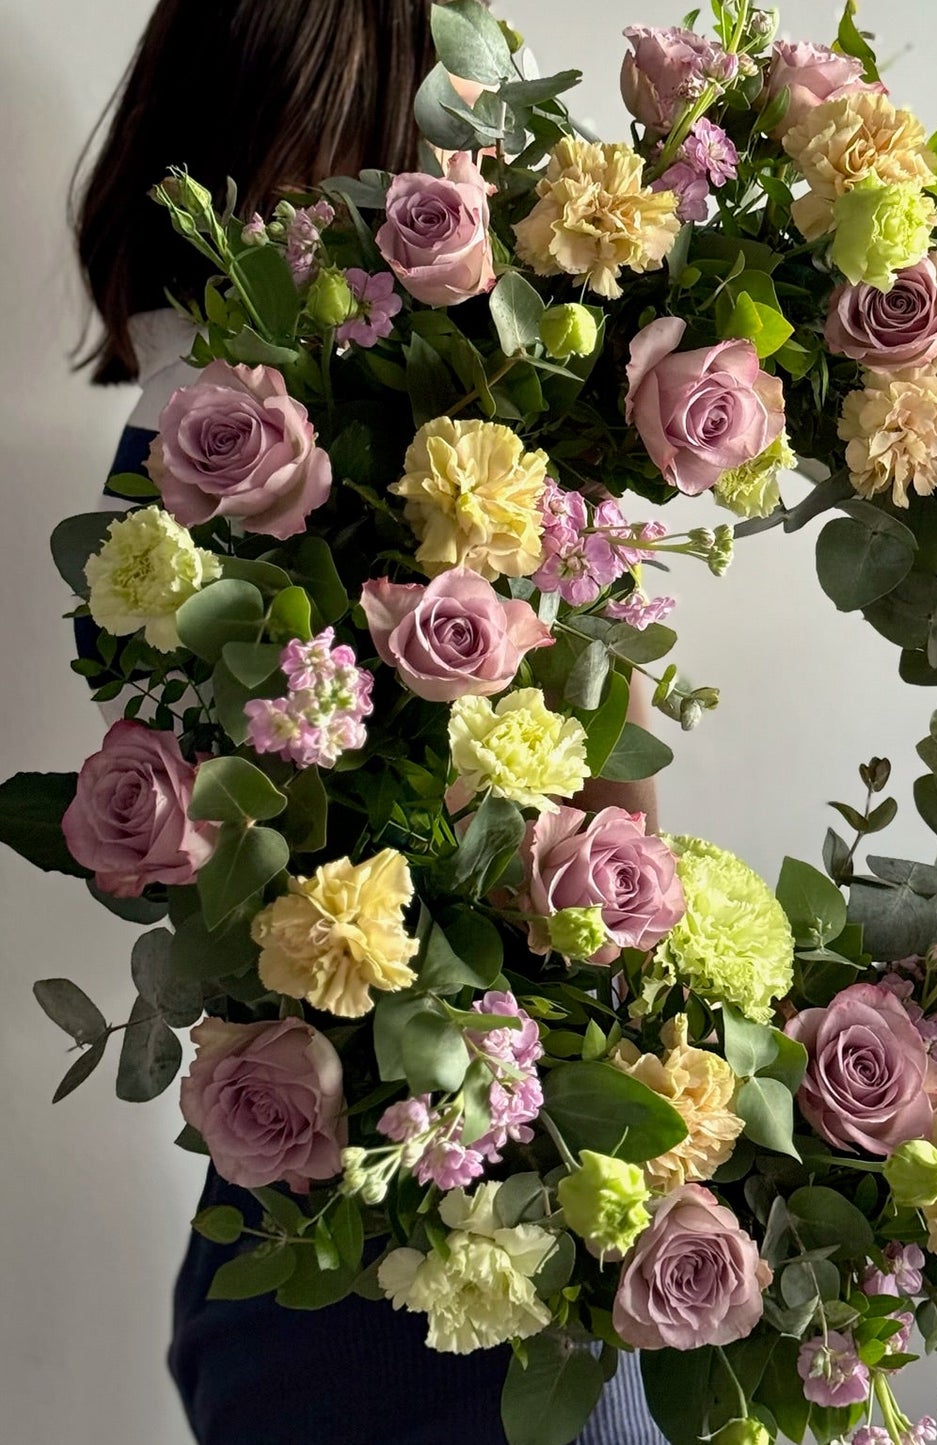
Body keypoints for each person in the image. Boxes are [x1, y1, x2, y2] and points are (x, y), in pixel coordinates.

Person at [71, 4, 663, 1441]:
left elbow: (614, 829)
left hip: (388, 1215)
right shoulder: (230, 461)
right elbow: (600, 832)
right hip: (415, 1238)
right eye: (437, 156)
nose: (475, 195)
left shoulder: (251, 448)